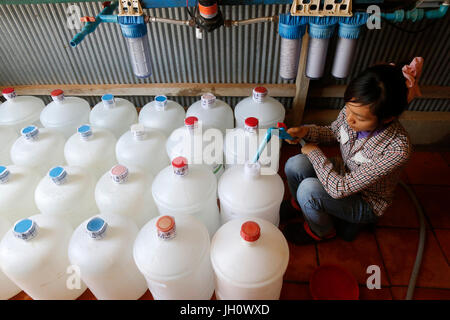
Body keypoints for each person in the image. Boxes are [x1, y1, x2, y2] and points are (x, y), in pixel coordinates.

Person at [281, 57, 423, 245]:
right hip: (344, 172)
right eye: (348, 109)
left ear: (388, 118)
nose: (349, 119)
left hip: (366, 201)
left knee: (309, 190)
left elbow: (340, 188)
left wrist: (314, 152)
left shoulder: (397, 149)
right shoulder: (354, 108)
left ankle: (321, 231)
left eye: (359, 117)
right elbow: (333, 132)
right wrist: (306, 131)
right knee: (295, 164)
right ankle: (300, 205)